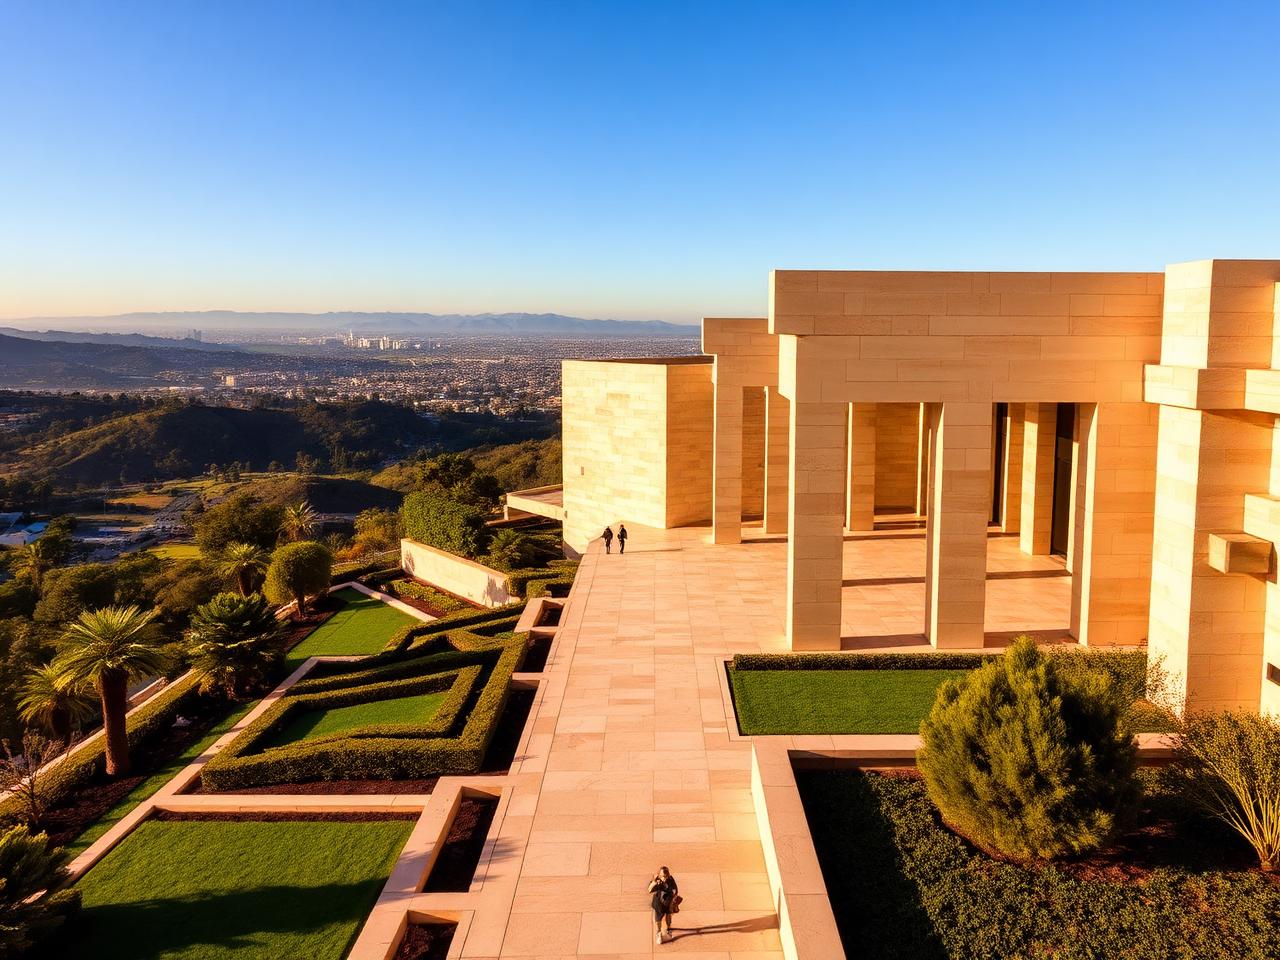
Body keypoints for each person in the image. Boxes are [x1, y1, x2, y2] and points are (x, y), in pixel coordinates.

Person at [647, 865, 678, 943]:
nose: (664, 878)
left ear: (668, 875)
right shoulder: (657, 881)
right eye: (662, 876)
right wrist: (654, 882)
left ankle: (668, 929)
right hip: (658, 904)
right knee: (658, 920)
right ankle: (658, 933)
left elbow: (675, 891)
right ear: (659, 875)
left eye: (666, 876)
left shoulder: (670, 880)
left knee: (668, 917)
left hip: (668, 903)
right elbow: (649, 890)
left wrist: (668, 887)